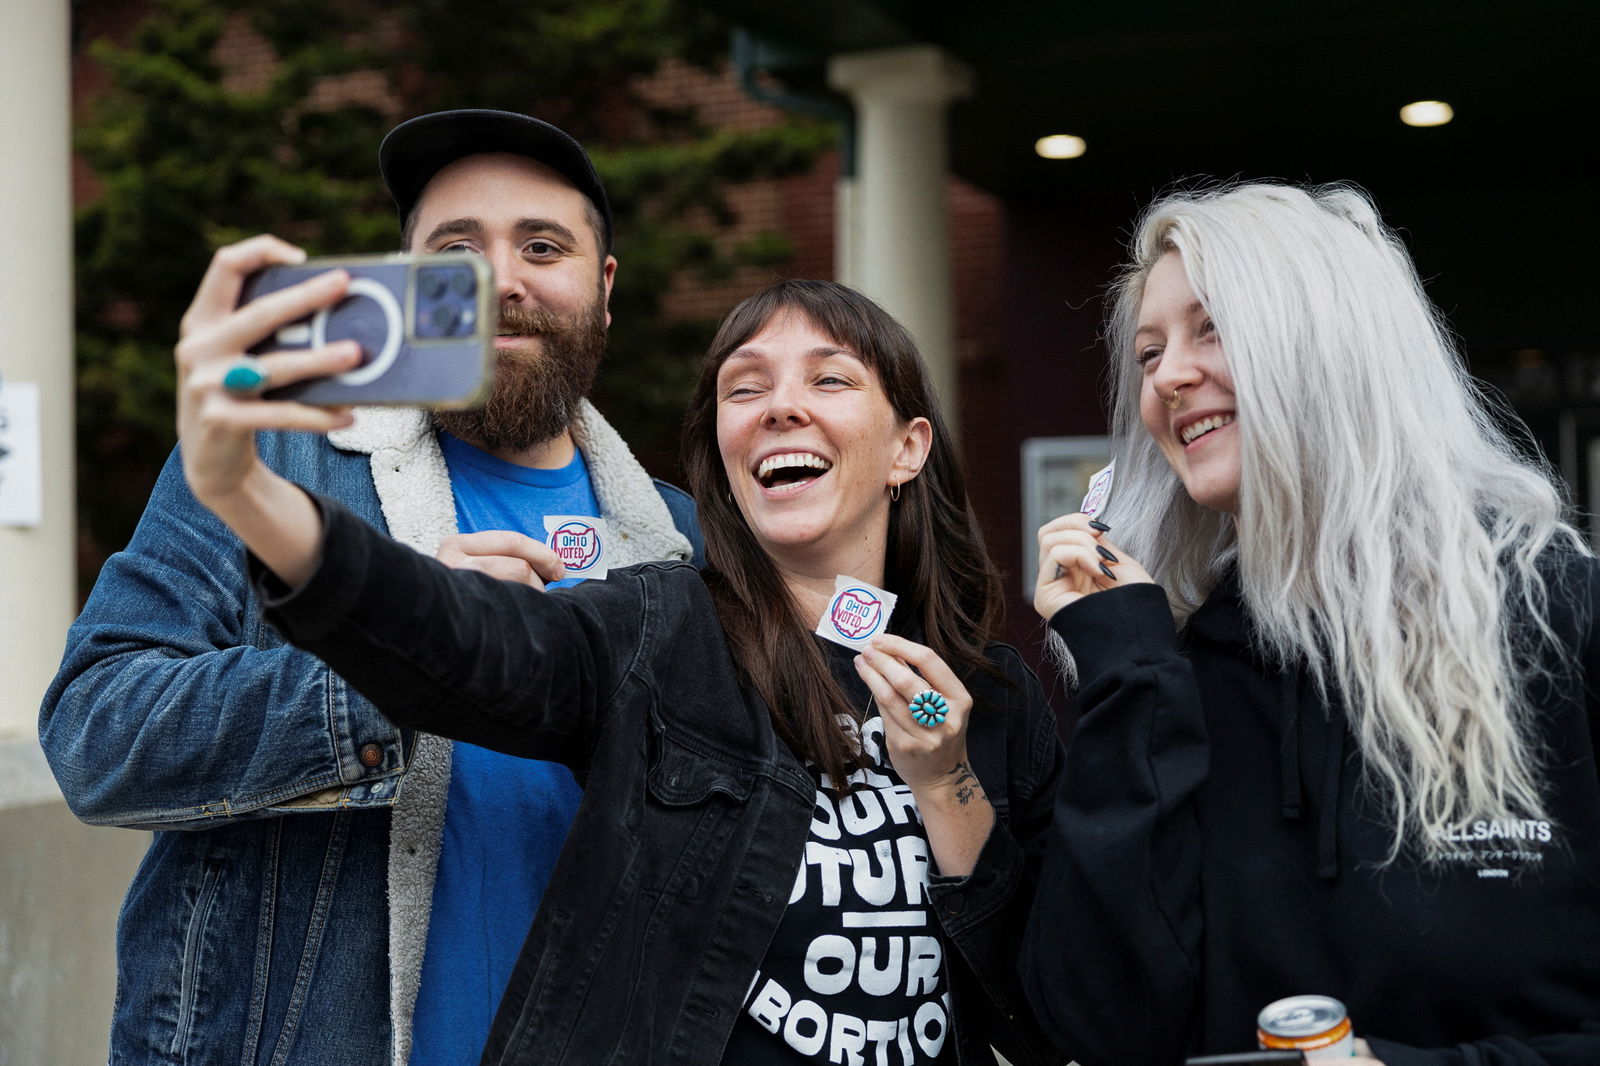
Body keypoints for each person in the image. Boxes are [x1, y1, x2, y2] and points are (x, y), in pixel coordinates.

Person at [170, 275, 1066, 1065]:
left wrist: (946, 781)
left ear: (907, 447)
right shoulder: (659, 630)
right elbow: (459, 644)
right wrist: (248, 496)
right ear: (723, 452)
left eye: (828, 378)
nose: (779, 406)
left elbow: (1042, 1017)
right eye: (743, 387)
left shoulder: (995, 693)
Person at [39, 109, 702, 1066]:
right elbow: (93, 737)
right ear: (410, 282)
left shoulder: (680, 542)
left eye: (543, 246)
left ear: (603, 291)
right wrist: (398, 652)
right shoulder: (266, 466)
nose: (501, 280)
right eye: (456, 250)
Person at [1021, 182, 1600, 1066]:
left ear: (1331, 346)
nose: (1169, 376)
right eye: (1148, 354)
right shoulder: (1173, 663)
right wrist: (1128, 678)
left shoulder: (1556, 617)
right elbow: (1095, 1027)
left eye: (1211, 328)